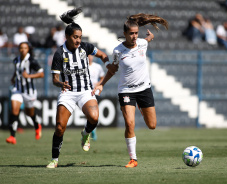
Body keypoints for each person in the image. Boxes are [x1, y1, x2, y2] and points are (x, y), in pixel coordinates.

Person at [46, 8, 118, 168]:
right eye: (75, 37)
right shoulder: (59, 54)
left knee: (94, 118)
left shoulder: (85, 47)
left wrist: (107, 64)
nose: (78, 40)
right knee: (59, 127)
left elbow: (102, 54)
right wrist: (60, 84)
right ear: (67, 37)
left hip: (86, 91)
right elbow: (54, 79)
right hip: (68, 93)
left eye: (80, 37)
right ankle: (54, 160)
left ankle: (85, 133)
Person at [95, 13, 168, 168]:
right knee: (130, 123)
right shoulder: (118, 51)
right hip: (126, 91)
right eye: (131, 34)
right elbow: (112, 70)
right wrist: (101, 84)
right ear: (125, 34)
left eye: (136, 33)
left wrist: (150, 37)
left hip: (144, 89)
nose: (134, 36)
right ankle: (133, 159)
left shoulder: (142, 43)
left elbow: (147, 40)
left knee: (152, 125)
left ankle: (141, 107)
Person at [6, 42, 44, 145]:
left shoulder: (32, 61)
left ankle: (37, 125)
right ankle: (12, 136)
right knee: (14, 110)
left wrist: (29, 76)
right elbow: (17, 70)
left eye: (25, 48)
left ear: (28, 49)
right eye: (21, 48)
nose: (23, 50)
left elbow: (41, 74)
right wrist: (13, 77)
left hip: (29, 92)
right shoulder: (16, 60)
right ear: (19, 49)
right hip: (17, 90)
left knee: (29, 113)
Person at [88, 54, 105, 141]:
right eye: (88, 55)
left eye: (91, 55)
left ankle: (93, 129)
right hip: (86, 92)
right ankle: (90, 129)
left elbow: (103, 77)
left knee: (94, 111)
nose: (89, 57)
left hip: (95, 92)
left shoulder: (97, 66)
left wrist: (98, 84)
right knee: (89, 112)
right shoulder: (83, 66)